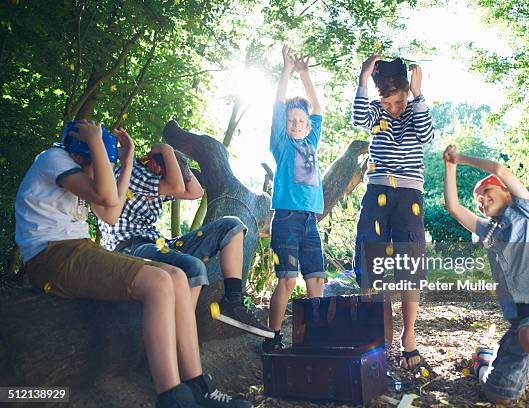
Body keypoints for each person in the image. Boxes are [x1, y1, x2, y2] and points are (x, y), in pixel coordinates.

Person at [15, 120, 251, 408]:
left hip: (78, 248)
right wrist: (100, 147)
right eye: (95, 162)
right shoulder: (54, 159)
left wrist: (125, 161)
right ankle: (172, 396)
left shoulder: (77, 166)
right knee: (160, 282)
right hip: (52, 254)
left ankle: (196, 383)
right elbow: (107, 197)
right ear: (81, 154)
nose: (96, 171)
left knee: (177, 276)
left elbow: (110, 213)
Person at [442, 144, 529, 408]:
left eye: (487, 191)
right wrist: (449, 167)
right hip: (522, 322)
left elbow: (499, 169)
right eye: (478, 200)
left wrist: (460, 157)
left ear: (507, 191)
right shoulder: (488, 231)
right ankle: (484, 364)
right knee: (498, 394)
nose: (482, 200)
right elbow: (453, 207)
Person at [98, 143, 271, 337]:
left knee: (231, 225)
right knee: (193, 267)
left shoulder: (157, 183)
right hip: (130, 249)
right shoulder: (133, 174)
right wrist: (168, 150)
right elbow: (178, 186)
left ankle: (233, 303)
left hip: (158, 245)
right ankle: (180, 339)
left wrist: (180, 161)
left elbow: (195, 192)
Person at [351, 55, 435, 369]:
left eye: (398, 100)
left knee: (409, 261)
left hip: (409, 193)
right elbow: (359, 120)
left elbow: (426, 136)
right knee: (370, 257)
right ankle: (375, 335)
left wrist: (417, 94)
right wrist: (362, 80)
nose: (394, 109)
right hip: (377, 191)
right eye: (387, 102)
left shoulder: (415, 110)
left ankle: (408, 336)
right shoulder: (374, 111)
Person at [263, 45, 325, 352]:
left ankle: (317, 335)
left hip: (310, 221)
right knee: (287, 280)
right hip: (286, 219)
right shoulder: (281, 145)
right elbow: (277, 106)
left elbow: (317, 108)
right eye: (291, 121)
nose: (296, 124)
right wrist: (287, 71)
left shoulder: (312, 139)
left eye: (301, 121)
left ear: (308, 126)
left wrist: (305, 74)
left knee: (317, 280)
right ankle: (273, 336)